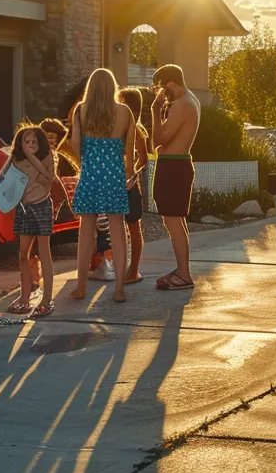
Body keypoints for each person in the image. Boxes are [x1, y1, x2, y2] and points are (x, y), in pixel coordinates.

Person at [67, 68, 135, 303]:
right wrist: (128, 174)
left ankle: (81, 286)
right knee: (117, 229)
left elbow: (75, 144)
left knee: (86, 230)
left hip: (90, 175)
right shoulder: (125, 112)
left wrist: (87, 160)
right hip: (114, 176)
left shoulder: (81, 111)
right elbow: (130, 151)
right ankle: (119, 289)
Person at [151, 64, 201, 291]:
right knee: (176, 220)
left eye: (161, 87)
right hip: (178, 164)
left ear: (171, 84)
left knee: (173, 221)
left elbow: (158, 140)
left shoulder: (182, 105)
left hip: (173, 167)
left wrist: (155, 109)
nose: (160, 93)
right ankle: (182, 270)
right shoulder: (191, 100)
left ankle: (183, 274)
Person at [0, 125, 58, 317]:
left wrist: (32, 158)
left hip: (41, 206)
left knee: (44, 252)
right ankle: (25, 297)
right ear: (20, 143)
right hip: (24, 208)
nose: (30, 145)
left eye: (34, 142)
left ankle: (47, 299)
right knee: (23, 254)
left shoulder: (46, 158)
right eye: (26, 141)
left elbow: (49, 178)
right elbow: (2, 177)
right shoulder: (16, 159)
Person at [116, 87, 150, 285]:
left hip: (121, 183)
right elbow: (143, 159)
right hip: (129, 182)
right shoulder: (136, 129)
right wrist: (133, 171)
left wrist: (128, 171)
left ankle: (130, 270)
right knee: (131, 228)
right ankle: (130, 270)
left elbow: (143, 158)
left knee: (125, 227)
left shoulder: (128, 129)